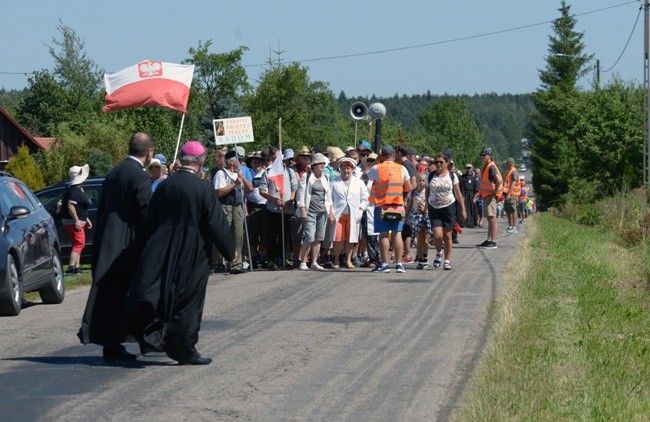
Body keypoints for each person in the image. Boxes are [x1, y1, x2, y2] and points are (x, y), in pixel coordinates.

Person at [125, 140, 235, 365]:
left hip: (163, 247)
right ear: (201, 161)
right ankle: (184, 347)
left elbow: (150, 218)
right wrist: (229, 249)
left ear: (182, 160)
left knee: (166, 294)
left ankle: (157, 339)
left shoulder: (165, 185)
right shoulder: (203, 187)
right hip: (193, 250)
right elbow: (215, 222)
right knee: (189, 299)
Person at [78, 132, 154, 362]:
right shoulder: (139, 176)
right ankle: (142, 339)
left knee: (109, 295)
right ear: (149, 151)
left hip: (106, 239)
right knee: (128, 294)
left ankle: (110, 344)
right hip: (127, 244)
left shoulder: (114, 172)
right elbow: (145, 212)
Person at [367, 145, 412, 273]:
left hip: (382, 205)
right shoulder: (401, 168)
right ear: (393, 155)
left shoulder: (377, 168)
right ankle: (398, 264)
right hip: (398, 205)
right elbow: (408, 187)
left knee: (384, 235)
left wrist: (377, 161)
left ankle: (385, 264)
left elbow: (365, 175)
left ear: (382, 155)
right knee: (397, 234)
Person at [259, 148, 298, 270]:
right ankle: (271, 259)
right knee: (272, 235)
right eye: (275, 158)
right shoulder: (267, 173)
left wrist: (291, 200)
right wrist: (274, 199)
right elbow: (262, 191)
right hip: (273, 209)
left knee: (285, 235)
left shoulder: (290, 172)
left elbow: (294, 188)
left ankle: (285, 257)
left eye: (279, 158)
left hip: (287, 209)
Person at [426, 154, 467, 271]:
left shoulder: (452, 176)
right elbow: (427, 193)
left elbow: (458, 193)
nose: (438, 164)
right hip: (434, 208)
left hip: (449, 207)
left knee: (448, 236)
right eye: (436, 162)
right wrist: (425, 206)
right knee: (437, 235)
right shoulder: (429, 176)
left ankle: (447, 260)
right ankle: (439, 252)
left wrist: (463, 209)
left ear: (446, 163)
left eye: (441, 162)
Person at [215, 150, 253, 274]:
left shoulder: (239, 174)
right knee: (223, 234)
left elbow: (250, 188)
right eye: (237, 159)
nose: (240, 162)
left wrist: (242, 178)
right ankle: (219, 262)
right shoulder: (221, 174)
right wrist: (235, 184)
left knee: (238, 235)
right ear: (232, 162)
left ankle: (236, 264)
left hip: (238, 206)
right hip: (226, 206)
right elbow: (219, 192)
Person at [296, 153, 334, 271]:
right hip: (310, 211)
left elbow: (328, 197)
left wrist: (331, 213)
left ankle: (314, 262)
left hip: (322, 211)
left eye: (323, 163)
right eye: (319, 163)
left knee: (319, 237)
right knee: (309, 236)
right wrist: (303, 210)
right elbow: (301, 195)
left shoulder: (325, 178)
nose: (322, 165)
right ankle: (303, 261)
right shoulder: (306, 177)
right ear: (314, 165)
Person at [330, 157, 369, 268]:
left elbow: (365, 197)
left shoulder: (359, 183)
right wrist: (331, 212)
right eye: (343, 168)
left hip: (353, 214)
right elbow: (329, 198)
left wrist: (361, 209)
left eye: (348, 168)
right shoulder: (334, 182)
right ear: (340, 169)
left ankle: (348, 260)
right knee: (338, 238)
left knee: (350, 238)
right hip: (339, 214)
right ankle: (336, 260)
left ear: (352, 169)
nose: (346, 171)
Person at [61, 164, 93, 275]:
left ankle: (76, 267)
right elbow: (70, 206)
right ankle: (71, 267)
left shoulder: (76, 189)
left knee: (77, 244)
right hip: (73, 222)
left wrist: (86, 218)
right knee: (80, 243)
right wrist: (76, 221)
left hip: (76, 221)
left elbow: (80, 206)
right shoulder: (75, 190)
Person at [475, 148, 503, 249]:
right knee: (489, 218)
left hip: (490, 196)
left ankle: (493, 241)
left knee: (492, 219)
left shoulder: (491, 167)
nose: (482, 157)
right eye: (481, 155)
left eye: (484, 155)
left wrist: (494, 192)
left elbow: (498, 180)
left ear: (489, 156)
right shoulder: (487, 166)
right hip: (486, 195)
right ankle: (489, 239)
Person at [405, 173, 431, 269]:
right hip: (417, 216)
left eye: (424, 181)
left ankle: (425, 255)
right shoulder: (413, 192)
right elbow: (409, 205)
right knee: (419, 239)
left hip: (427, 216)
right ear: (416, 181)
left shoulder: (428, 192)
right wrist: (406, 216)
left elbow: (431, 203)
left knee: (426, 240)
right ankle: (420, 259)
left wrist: (425, 208)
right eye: (420, 180)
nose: (422, 183)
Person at [502, 157, 521, 233]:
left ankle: (514, 227)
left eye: (507, 163)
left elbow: (513, 183)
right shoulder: (508, 171)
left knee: (513, 210)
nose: (506, 165)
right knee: (508, 210)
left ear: (510, 164)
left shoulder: (514, 171)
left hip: (512, 194)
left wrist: (509, 194)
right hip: (507, 194)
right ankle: (510, 226)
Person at [460, 164, 479, 228]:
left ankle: (472, 223)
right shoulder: (463, 177)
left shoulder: (474, 178)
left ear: (472, 168)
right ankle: (464, 223)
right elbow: (461, 187)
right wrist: (462, 195)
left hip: (472, 194)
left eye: (469, 168)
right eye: (467, 168)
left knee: (472, 208)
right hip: (465, 194)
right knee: (465, 208)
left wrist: (475, 197)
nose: (468, 169)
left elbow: (476, 188)